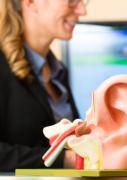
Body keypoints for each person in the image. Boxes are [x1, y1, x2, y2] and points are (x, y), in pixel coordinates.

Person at [0, 0, 88, 171]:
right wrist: (65, 160)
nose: (82, 11)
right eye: (71, 2)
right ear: (31, 3)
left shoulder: (58, 71)